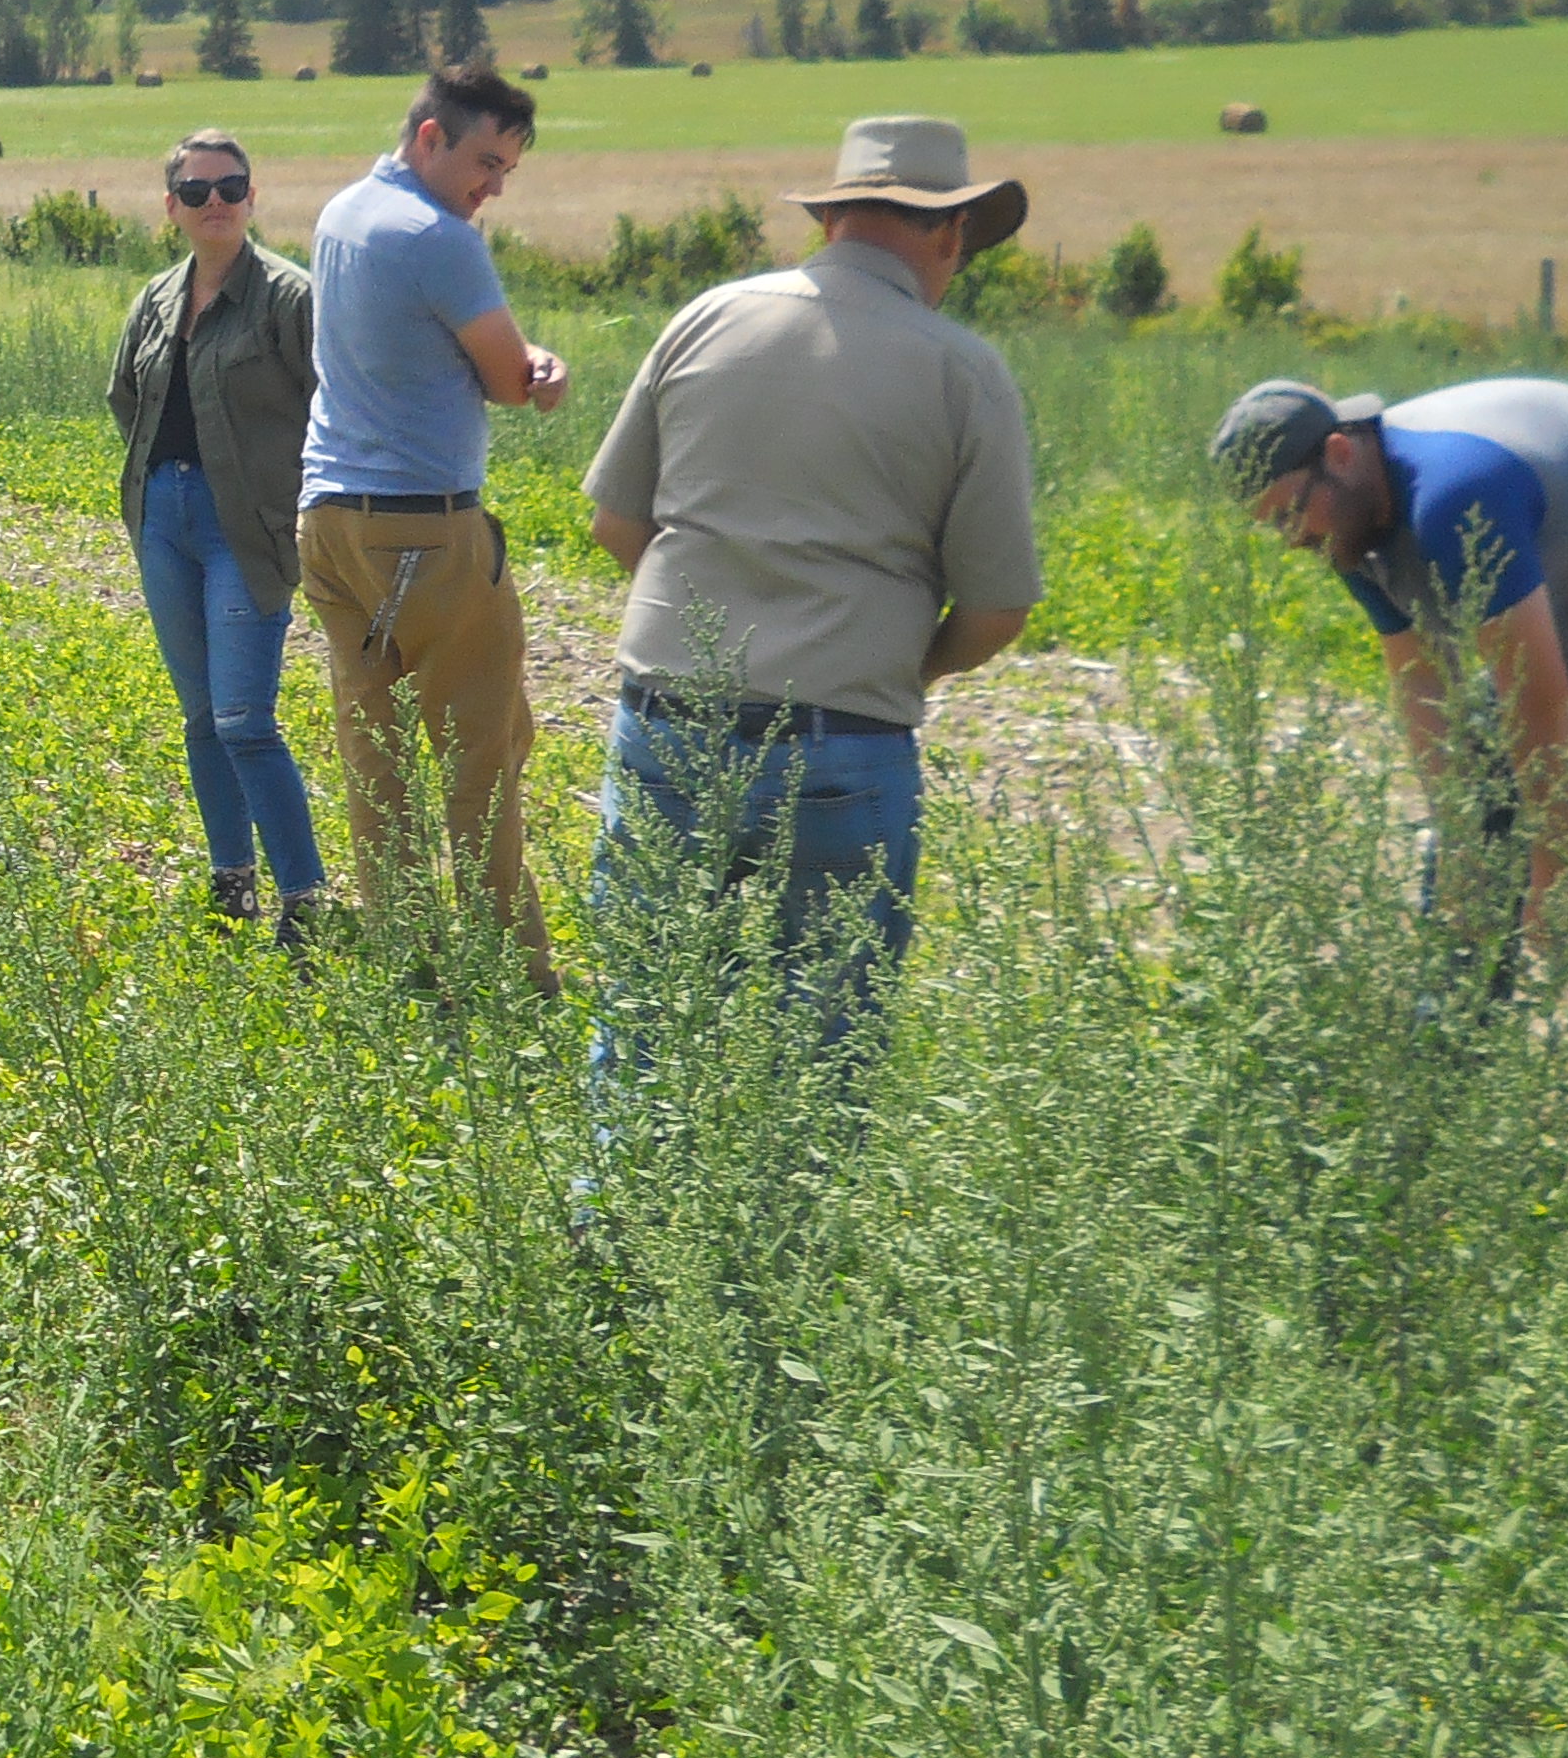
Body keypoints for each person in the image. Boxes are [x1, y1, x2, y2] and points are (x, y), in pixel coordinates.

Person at [578, 115, 1042, 1092]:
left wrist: (716, 628)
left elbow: (616, 522)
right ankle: (785, 1235)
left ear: (831, 217)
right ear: (950, 233)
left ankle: (611, 1227)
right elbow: (998, 609)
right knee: (823, 1044)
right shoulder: (964, 370)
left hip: (671, 714)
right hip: (846, 737)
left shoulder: (707, 317)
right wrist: (896, 664)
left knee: (646, 1012)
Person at [1212, 371, 1568, 974]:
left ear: (1339, 452)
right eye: (1271, 526)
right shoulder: (1347, 519)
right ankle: (1454, 1053)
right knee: (1477, 836)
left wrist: (1552, 881)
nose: (1291, 539)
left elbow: (1539, 707)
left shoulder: (1453, 496)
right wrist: (1457, 839)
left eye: (1290, 514)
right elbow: (1423, 683)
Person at [294, 61, 569, 983]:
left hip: (332, 527)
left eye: (507, 172)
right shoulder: (438, 236)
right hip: (424, 531)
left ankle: (405, 968)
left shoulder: (343, 213)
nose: (490, 187)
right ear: (429, 139)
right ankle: (512, 974)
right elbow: (505, 378)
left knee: (377, 758)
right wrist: (542, 368)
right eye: (485, 162)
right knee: (481, 755)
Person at [105, 129, 324, 935]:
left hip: (248, 528)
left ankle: (303, 897)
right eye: (196, 193)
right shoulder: (157, 298)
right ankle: (230, 879)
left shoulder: (291, 299)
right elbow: (125, 395)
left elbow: (330, 411)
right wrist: (160, 487)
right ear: (172, 208)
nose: (216, 204)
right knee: (200, 718)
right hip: (166, 518)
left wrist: (297, 505)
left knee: (244, 721)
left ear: (252, 196)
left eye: (230, 188)